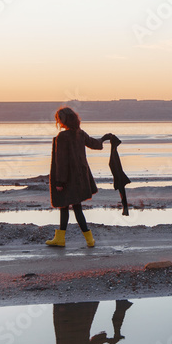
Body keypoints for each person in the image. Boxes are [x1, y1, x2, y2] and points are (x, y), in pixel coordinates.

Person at [46, 106, 112, 248]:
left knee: (65, 207)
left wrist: (60, 181)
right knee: (77, 208)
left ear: (63, 121)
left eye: (58, 119)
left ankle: (61, 239)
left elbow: (61, 161)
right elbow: (95, 144)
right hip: (80, 178)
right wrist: (104, 139)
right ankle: (88, 240)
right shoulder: (79, 133)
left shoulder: (62, 137)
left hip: (67, 179)